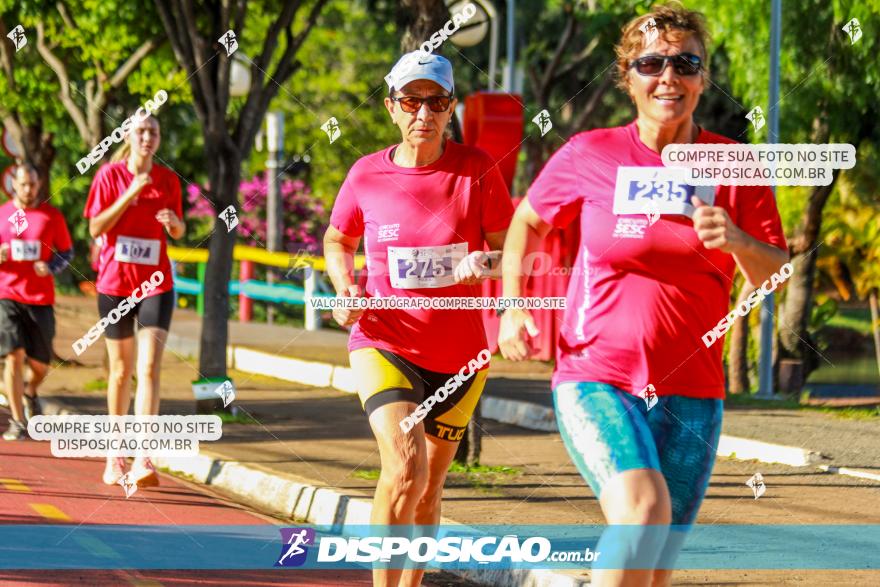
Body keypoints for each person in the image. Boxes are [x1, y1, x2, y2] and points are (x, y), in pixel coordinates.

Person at [498, 3, 789, 586]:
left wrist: (737, 240)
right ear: (628, 76)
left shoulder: (736, 163)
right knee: (641, 513)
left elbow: (773, 273)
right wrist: (513, 302)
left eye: (685, 62)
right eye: (651, 63)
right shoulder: (589, 152)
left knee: (652, 567)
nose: (669, 77)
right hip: (596, 376)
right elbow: (526, 221)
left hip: (693, 393)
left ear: (703, 76)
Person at [324, 51, 514, 587]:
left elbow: (510, 250)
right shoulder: (367, 174)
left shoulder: (477, 170)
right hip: (384, 342)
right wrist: (345, 287)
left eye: (435, 101)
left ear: (450, 107)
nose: (422, 113)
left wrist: (487, 263)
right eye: (411, 100)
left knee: (429, 487)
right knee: (405, 466)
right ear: (391, 107)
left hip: (461, 358)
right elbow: (338, 239)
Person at [84, 113, 184, 486]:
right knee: (121, 371)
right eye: (141, 131)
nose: (147, 137)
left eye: (154, 132)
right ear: (128, 135)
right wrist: (130, 194)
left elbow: (178, 228)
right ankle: (115, 457)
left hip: (156, 284)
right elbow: (95, 227)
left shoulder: (168, 179)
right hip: (115, 285)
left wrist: (174, 224)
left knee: (150, 369)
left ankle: (144, 457)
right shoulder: (109, 176)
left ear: (159, 139)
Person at [0, 164, 73, 440]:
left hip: (40, 298)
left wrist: (51, 267)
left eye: (33, 184)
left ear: (38, 184)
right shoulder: (3, 215)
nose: (28, 189)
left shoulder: (50, 216)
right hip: (7, 294)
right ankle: (18, 421)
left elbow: (66, 252)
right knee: (14, 355)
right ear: (14, 185)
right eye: (23, 184)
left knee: (41, 363)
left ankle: (31, 391)